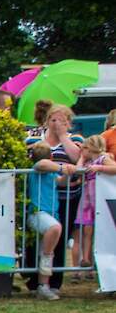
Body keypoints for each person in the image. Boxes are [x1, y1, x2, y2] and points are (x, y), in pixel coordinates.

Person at [24, 103, 83, 288]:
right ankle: (36, 279)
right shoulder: (34, 139)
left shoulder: (76, 138)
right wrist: (62, 168)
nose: (57, 123)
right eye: (53, 119)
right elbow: (35, 162)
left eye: (62, 120)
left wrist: (63, 136)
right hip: (37, 197)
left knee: (59, 239)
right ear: (47, 120)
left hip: (67, 197)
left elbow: (76, 159)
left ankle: (53, 282)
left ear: (69, 122)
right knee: (36, 241)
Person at [26, 142, 65, 300]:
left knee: (47, 250)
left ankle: (43, 286)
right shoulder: (36, 169)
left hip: (51, 213)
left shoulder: (51, 173)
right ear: (51, 157)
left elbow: (61, 181)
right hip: (37, 213)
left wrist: (68, 172)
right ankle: (43, 284)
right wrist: (62, 167)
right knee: (55, 230)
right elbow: (42, 164)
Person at [74, 135, 116, 274]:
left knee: (102, 231)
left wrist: (100, 168)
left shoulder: (104, 158)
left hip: (100, 198)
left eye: (84, 148)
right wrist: (81, 159)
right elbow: (78, 171)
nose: (82, 151)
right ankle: (86, 259)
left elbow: (114, 168)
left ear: (90, 148)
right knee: (87, 229)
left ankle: (98, 262)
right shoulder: (87, 163)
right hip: (87, 200)